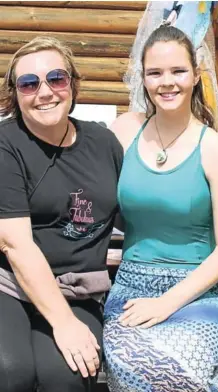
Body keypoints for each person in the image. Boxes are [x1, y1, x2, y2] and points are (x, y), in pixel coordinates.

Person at [103, 25, 218, 392]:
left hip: (202, 294)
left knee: (180, 362)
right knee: (130, 360)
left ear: (195, 75)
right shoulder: (124, 132)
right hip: (130, 288)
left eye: (177, 71)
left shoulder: (216, 151)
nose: (166, 82)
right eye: (155, 73)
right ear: (143, 78)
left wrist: (166, 303)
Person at [0, 36, 123, 392]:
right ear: (15, 93)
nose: (45, 92)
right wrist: (64, 324)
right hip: (9, 287)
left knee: (66, 377)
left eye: (56, 78)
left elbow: (132, 213)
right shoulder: (6, 144)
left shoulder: (103, 144)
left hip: (77, 290)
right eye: (29, 83)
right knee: (9, 372)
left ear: (73, 83)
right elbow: (14, 244)